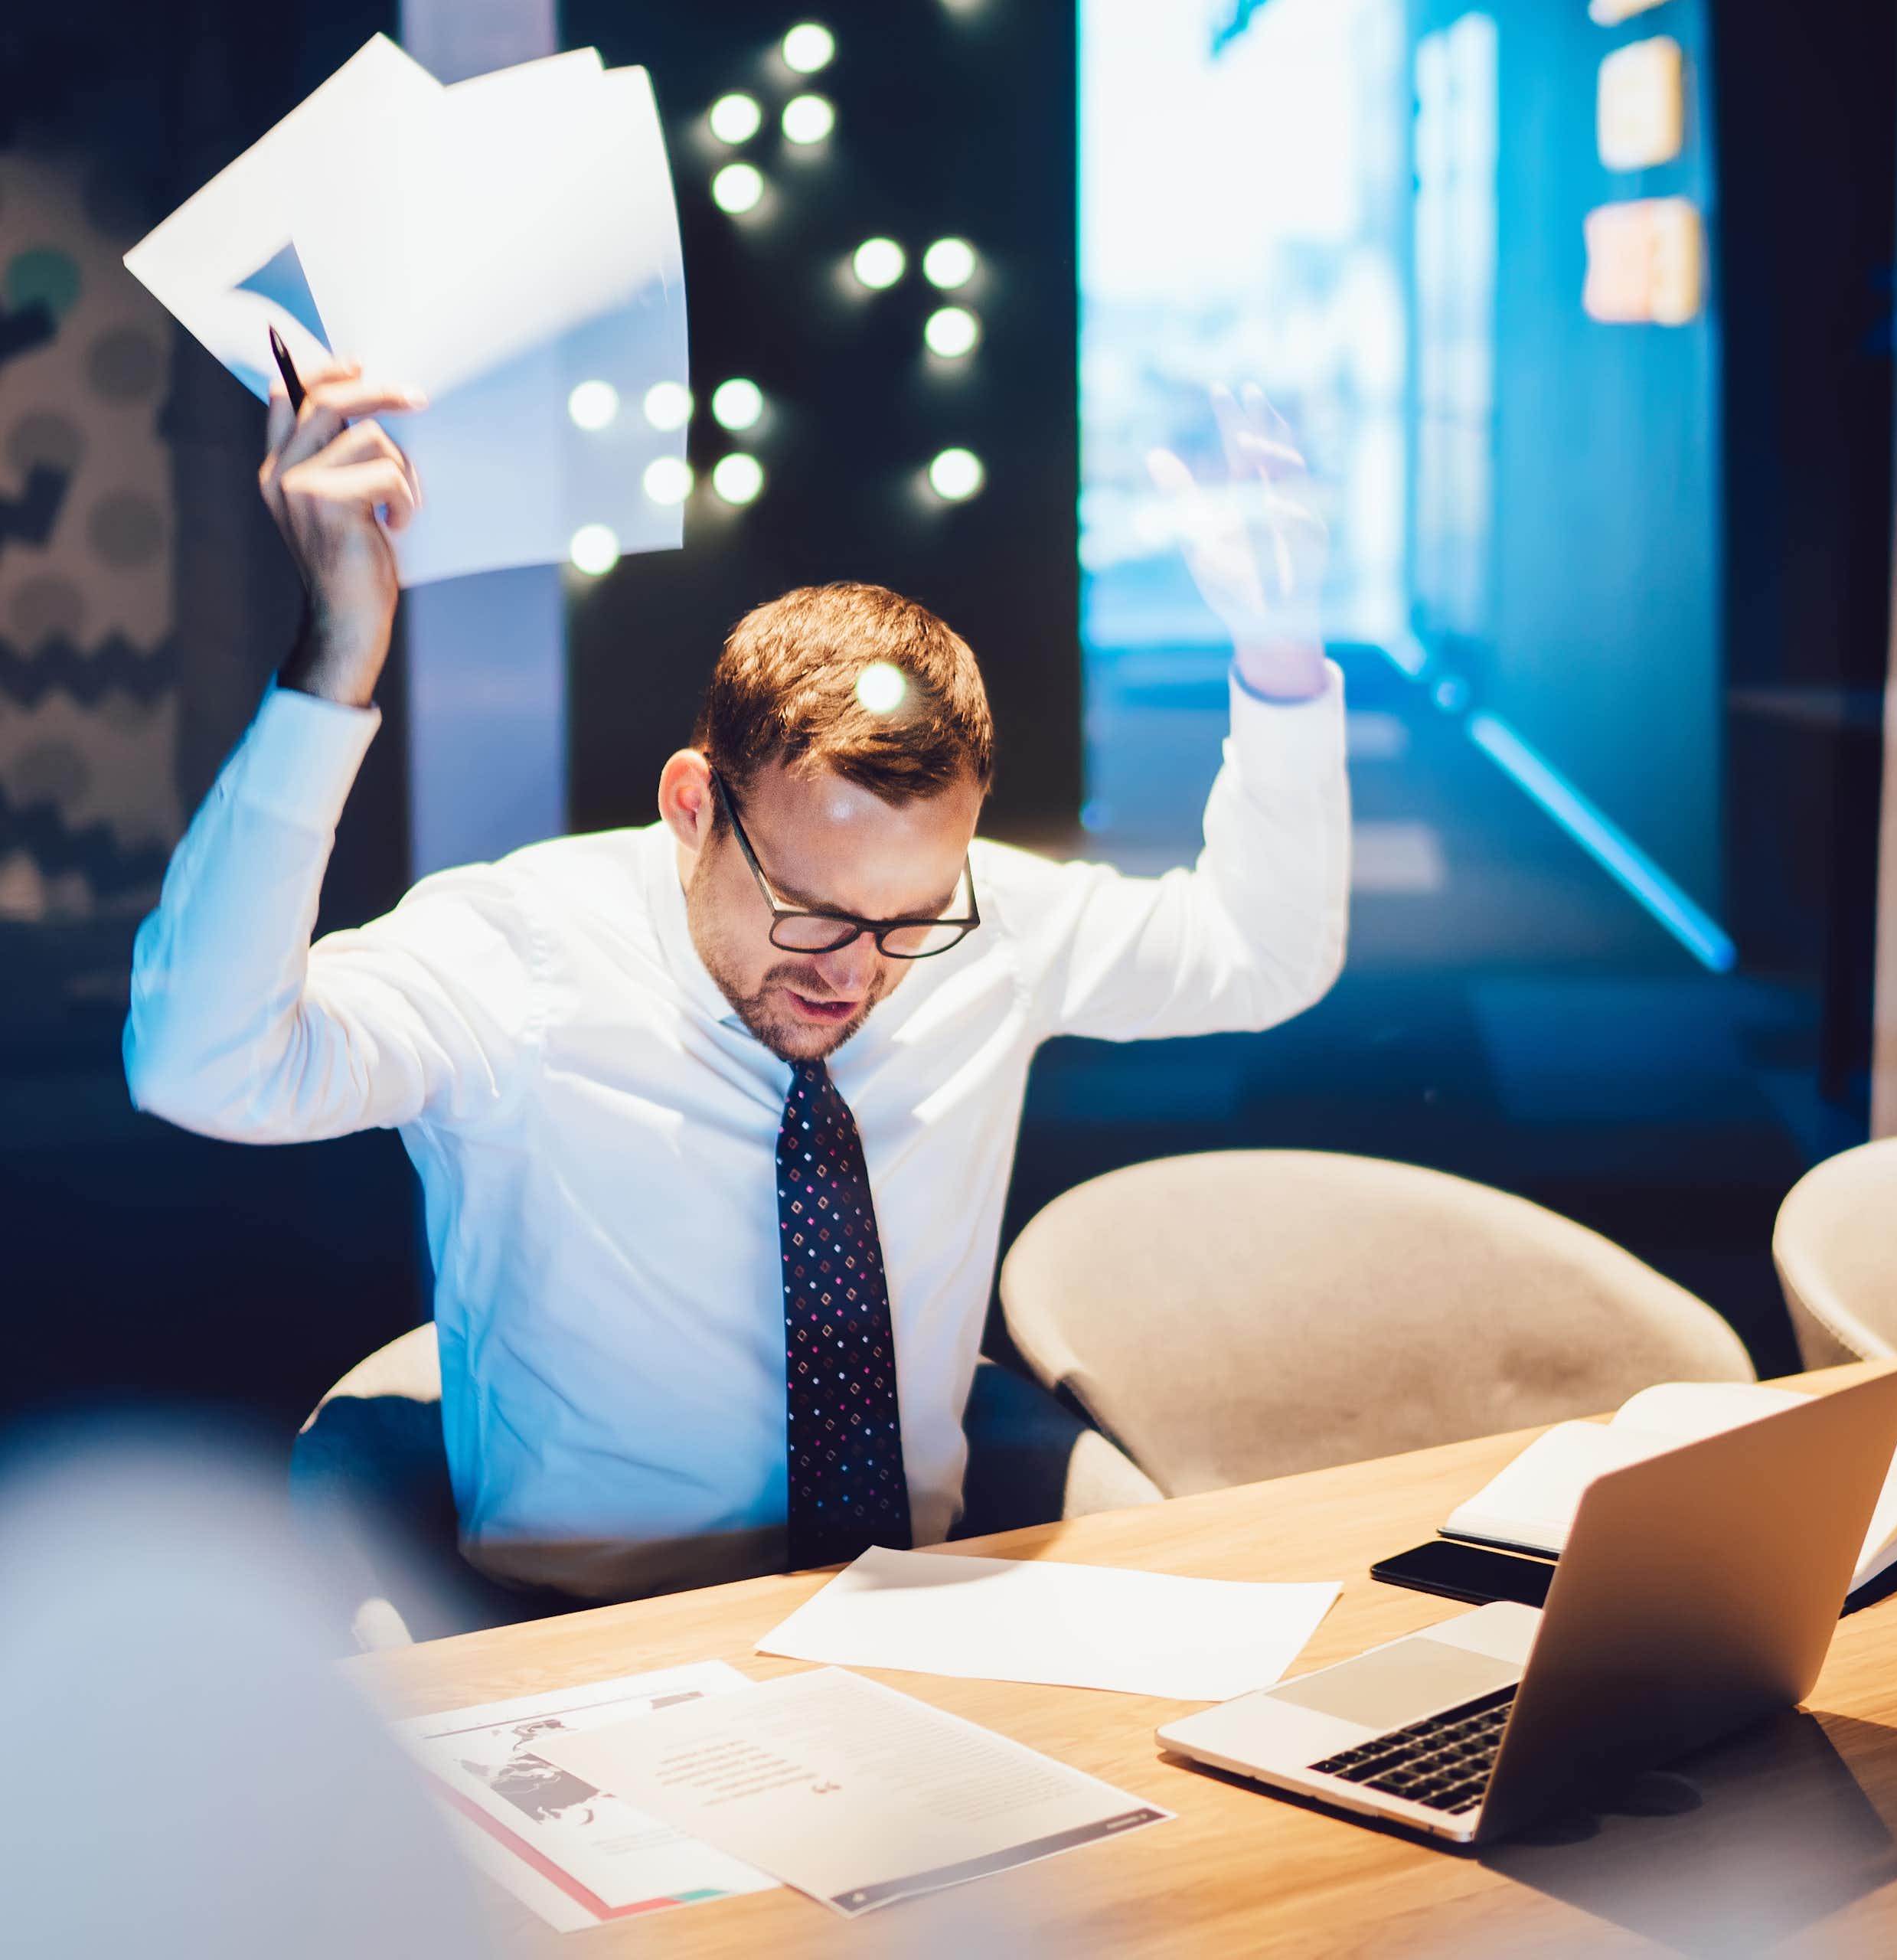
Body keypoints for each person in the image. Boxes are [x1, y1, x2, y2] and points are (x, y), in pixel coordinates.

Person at [125, 360, 1351, 1606]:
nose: (859, 969)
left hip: (921, 1622)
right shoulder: (515, 955)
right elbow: (203, 1065)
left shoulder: (992, 924)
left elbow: (1264, 954)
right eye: (813, 911)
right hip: (591, 1649)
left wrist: (1281, 646)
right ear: (693, 804)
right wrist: (335, 657)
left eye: (911, 916)